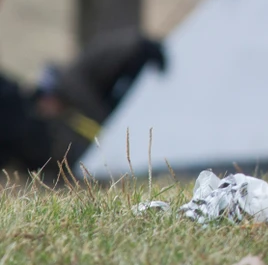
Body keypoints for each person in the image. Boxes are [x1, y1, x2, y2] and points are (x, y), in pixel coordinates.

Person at [33, 29, 168, 167]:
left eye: (46, 108)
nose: (50, 113)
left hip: (136, 51)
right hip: (133, 48)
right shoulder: (70, 82)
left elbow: (96, 112)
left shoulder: (70, 86)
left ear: (50, 98)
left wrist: (110, 133)